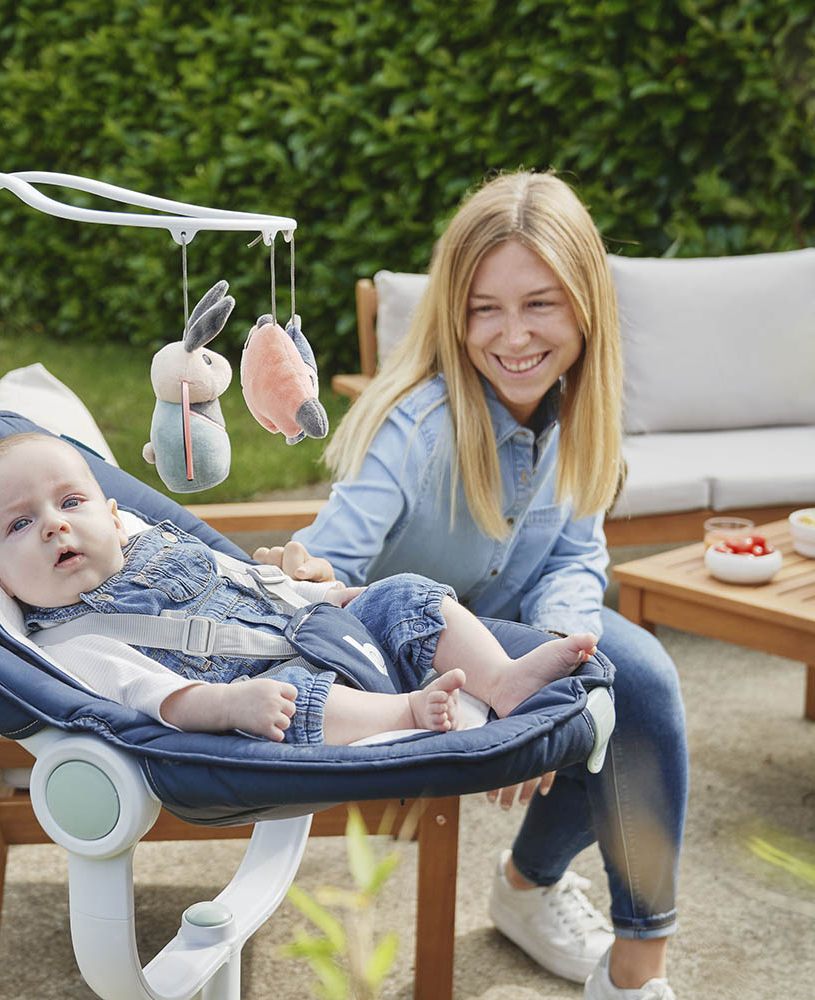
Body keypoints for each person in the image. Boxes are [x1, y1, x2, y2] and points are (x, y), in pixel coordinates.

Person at [257, 171, 686, 999]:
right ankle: (623, 968)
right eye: (485, 307)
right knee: (632, 681)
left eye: (541, 304)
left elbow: (573, 561)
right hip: (409, 659)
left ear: (587, 304)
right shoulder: (416, 426)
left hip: (514, 636)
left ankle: (537, 892)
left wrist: (561, 647)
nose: (513, 335)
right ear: (454, 315)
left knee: (610, 674)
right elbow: (333, 564)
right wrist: (307, 569)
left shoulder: (578, 415)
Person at [0, 431, 600, 747]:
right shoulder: (75, 640)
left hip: (326, 630)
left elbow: (255, 584)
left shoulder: (157, 545)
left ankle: (501, 678)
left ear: (112, 514)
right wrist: (232, 706)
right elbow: (164, 698)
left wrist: (334, 598)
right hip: (277, 692)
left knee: (406, 593)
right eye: (21, 523)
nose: (55, 525)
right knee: (294, 703)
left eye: (71, 502)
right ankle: (407, 716)